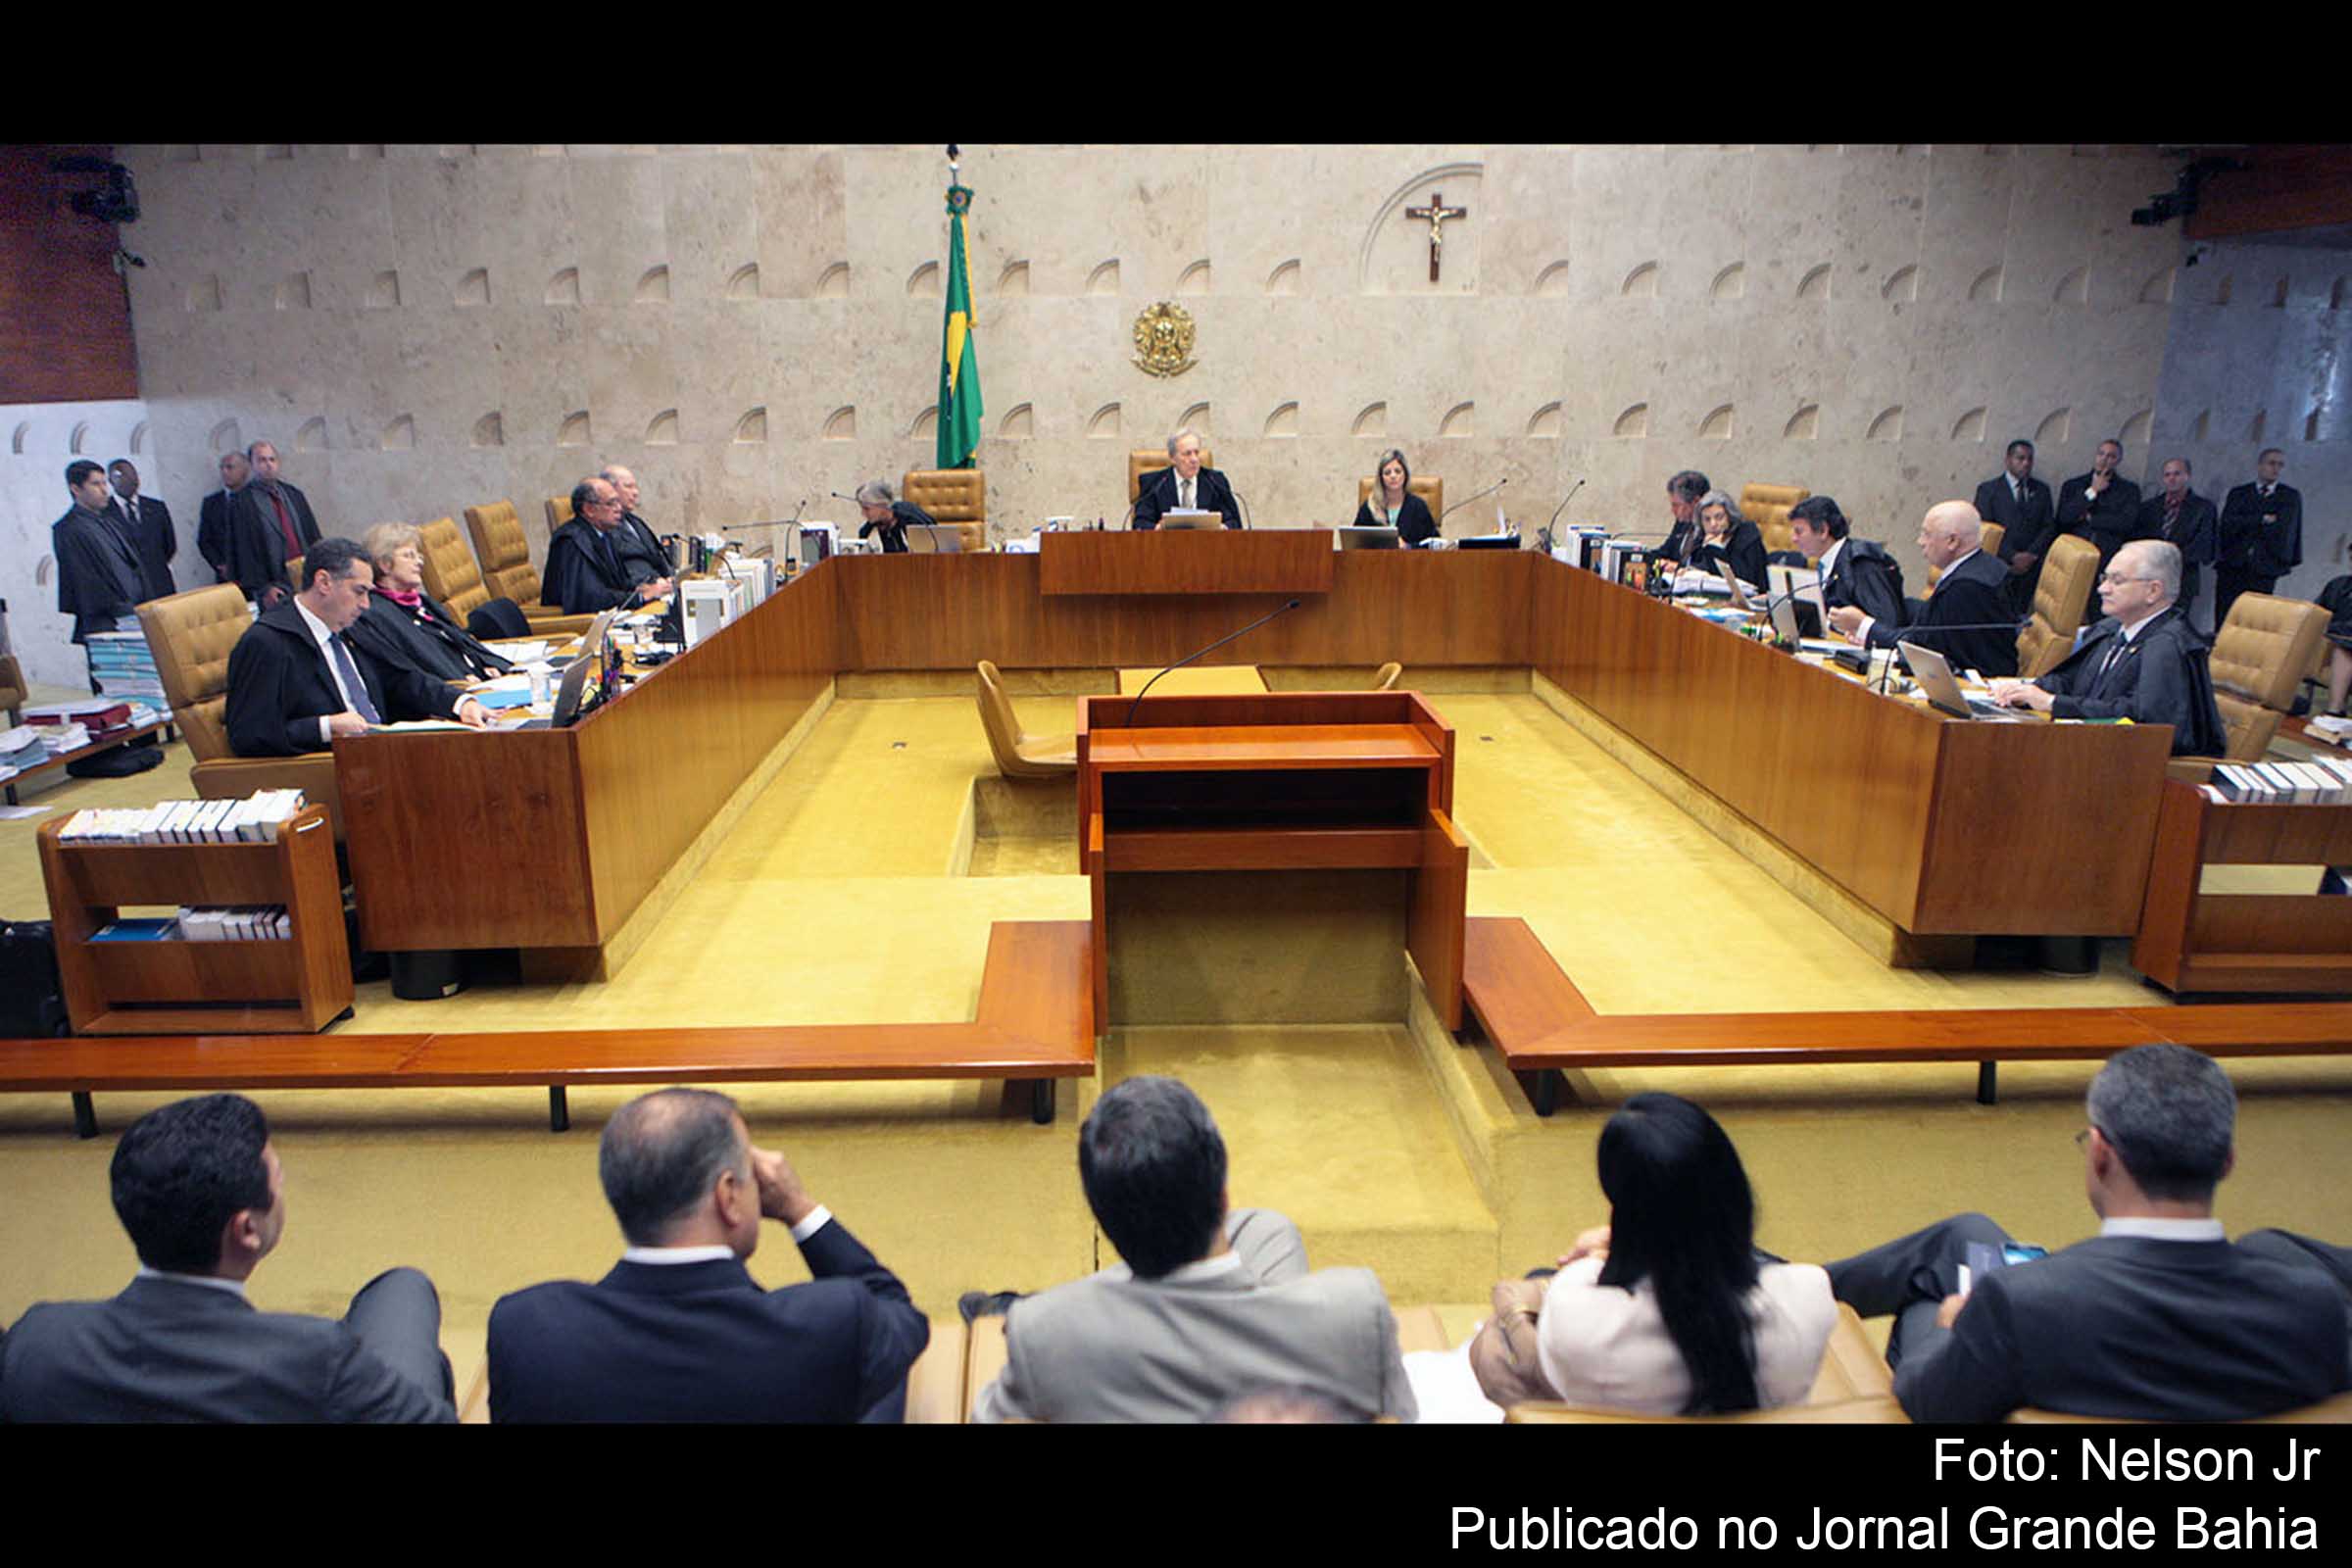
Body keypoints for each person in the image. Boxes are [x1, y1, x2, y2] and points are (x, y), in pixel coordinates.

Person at [1827, 1044, 2350, 1423]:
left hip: (2018, 1354)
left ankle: (1774, 1285)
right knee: (1968, 1235)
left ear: (2100, 1153)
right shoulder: (2313, 1305)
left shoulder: (2019, 1303)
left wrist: (1948, 1326)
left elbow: (1926, 1401)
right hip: (2081, 1312)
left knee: (1933, 1292)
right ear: (2227, 1162)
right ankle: (1793, 1280)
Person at [969, 1076, 1415, 1422]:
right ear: (1222, 1195)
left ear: (1105, 1222)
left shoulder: (1044, 1335)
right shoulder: (1354, 1308)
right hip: (1279, 1348)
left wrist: (1051, 1313)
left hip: (1088, 1323)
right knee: (1269, 1231)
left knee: (1268, 1229)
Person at [0, 1093, 454, 1422]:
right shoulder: (315, 1355)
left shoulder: (38, 1340)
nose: (282, 1187)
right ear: (246, 1230)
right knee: (404, 1293)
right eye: (278, 1175)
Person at [487, 1087, 928, 1422]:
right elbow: (898, 1311)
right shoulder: (831, 1323)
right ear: (727, 1195)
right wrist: (798, 1207)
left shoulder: (524, 1326)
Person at [1527, 1094, 1834, 1415]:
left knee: (1533, 1283)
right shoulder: (1811, 1295)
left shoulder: (1575, 1313)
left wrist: (1605, 1252)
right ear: (1735, 1188)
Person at [223, 536, 490, 757]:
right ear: (324, 582)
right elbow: (249, 735)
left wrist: (459, 702)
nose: (366, 605)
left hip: (387, 751)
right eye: (359, 592)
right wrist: (326, 727)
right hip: (332, 770)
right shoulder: (269, 642)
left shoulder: (351, 626)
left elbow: (399, 678)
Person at [1988, 540, 2225, 756]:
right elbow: (2071, 681)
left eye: (2117, 581)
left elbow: (2143, 721)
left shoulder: (2168, 645)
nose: (2103, 589)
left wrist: (2052, 703)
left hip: (2130, 769)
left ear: (2153, 591)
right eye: (2105, 578)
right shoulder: (2112, 628)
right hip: (2089, 750)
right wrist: (2023, 690)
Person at [1829, 501, 2017, 678]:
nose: (1920, 541)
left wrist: (1863, 625)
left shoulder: (1966, 587)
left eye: (1927, 534)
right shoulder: (1986, 568)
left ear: (1952, 541)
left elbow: (1921, 649)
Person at [348, 521, 514, 683]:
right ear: (384, 565)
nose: (419, 562)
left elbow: (457, 642)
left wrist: (482, 665)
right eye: (409, 555)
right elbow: (417, 668)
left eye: (419, 556)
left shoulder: (423, 602)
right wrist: (460, 680)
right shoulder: (377, 614)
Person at [543, 477, 674, 612]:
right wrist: (640, 597)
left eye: (618, 502)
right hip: (578, 625)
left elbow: (619, 583)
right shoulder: (571, 541)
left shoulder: (604, 535)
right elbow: (588, 599)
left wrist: (646, 588)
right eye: (611, 503)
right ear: (589, 509)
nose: (619, 509)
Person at [51, 460, 143, 645]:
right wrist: (121, 612)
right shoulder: (68, 528)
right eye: (95, 484)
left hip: (134, 614)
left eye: (104, 483)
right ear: (76, 489)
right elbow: (85, 581)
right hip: (105, 622)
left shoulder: (108, 521)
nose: (104, 490)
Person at [224, 440, 321, 608]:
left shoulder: (293, 494)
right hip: (272, 584)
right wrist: (263, 588)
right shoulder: (241, 502)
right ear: (251, 465)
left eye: (272, 459)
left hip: (305, 576)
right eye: (262, 460)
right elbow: (242, 551)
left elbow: (313, 535)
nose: (268, 465)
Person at [1788, 495, 1903, 632]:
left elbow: (1887, 624)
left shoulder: (1861, 564)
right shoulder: (1825, 564)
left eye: (1799, 532)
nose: (1793, 539)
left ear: (1823, 531)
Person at [2216, 448, 2304, 627]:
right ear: (2260, 465)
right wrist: (2262, 519)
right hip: (2233, 563)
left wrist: (2248, 521)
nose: (2276, 469)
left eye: (2280, 465)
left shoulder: (2289, 497)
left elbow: (2284, 529)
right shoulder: (2239, 493)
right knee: (2225, 614)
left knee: (2255, 619)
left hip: (2265, 567)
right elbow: (2229, 524)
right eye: (2272, 463)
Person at [1974, 439, 2056, 616]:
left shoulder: (2041, 490)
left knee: (2020, 612)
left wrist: (2030, 555)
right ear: (2008, 460)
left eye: (2029, 459)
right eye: (2020, 458)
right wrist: (2011, 556)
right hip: (1999, 564)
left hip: (2030, 567)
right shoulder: (1989, 490)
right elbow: (1985, 528)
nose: (2025, 463)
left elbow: (2048, 526)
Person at [2135, 457, 2218, 623]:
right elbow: (2138, 538)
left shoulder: (2203, 508)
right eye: (2167, 475)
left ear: (2187, 476)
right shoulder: (2149, 507)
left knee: (2174, 625)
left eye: (2177, 474)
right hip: (2150, 575)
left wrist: (2171, 554)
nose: (2172, 479)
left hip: (2183, 577)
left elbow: (2204, 546)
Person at [2050, 438, 2143, 583]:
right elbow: (2064, 518)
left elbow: (2126, 523)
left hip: (2106, 559)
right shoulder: (2073, 485)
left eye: (2111, 456)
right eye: (2101, 454)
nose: (2104, 459)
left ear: (2118, 460)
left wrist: (2090, 519)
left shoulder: (2129, 490)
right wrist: (2093, 491)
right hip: (2074, 555)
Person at [1132, 428, 1241, 528]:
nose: (1194, 459)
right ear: (1172, 458)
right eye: (1187, 454)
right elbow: (1140, 524)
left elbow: (1234, 522)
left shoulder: (1215, 481)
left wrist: (1222, 528)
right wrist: (1158, 528)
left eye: (1196, 453)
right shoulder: (1154, 483)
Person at [107, 458, 177, 603]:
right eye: (122, 476)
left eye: (133, 475)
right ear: (111, 481)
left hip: (160, 586)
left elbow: (169, 545)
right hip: (127, 593)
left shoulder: (156, 507)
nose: (130, 480)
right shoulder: (104, 514)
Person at [599, 464, 673, 586]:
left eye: (636, 487)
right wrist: (654, 582)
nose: (635, 493)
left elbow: (656, 555)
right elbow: (630, 565)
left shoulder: (635, 521)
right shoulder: (605, 527)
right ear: (609, 489)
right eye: (628, 487)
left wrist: (670, 578)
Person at [1683, 489, 1767, 593]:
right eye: (1707, 519)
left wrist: (1716, 549)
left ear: (1730, 517)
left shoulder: (1747, 534)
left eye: (1719, 517)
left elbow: (1745, 578)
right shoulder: (1703, 536)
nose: (1713, 524)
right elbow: (1703, 565)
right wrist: (1690, 570)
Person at [1351, 449, 1438, 546]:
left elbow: (1434, 545)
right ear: (1381, 478)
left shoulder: (1418, 507)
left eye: (1397, 471)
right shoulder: (1369, 507)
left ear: (1405, 474)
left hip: (1411, 560)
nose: (1393, 476)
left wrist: (1408, 546)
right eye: (1387, 473)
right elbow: (1354, 544)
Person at [195, 448, 249, 584]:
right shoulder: (211, 503)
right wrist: (220, 565)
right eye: (222, 468)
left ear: (244, 471)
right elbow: (204, 540)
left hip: (257, 574)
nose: (225, 472)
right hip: (227, 576)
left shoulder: (255, 499)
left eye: (230, 467)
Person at [854, 478, 937, 554]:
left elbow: (932, 542)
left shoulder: (911, 517)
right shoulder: (868, 529)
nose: (863, 514)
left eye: (867, 509)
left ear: (883, 504)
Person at [1652, 468, 1711, 563]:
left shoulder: (1713, 527)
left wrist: (1679, 568)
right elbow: (1664, 552)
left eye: (1676, 505)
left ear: (1696, 502)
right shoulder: (1682, 523)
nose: (1673, 510)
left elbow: (1707, 567)